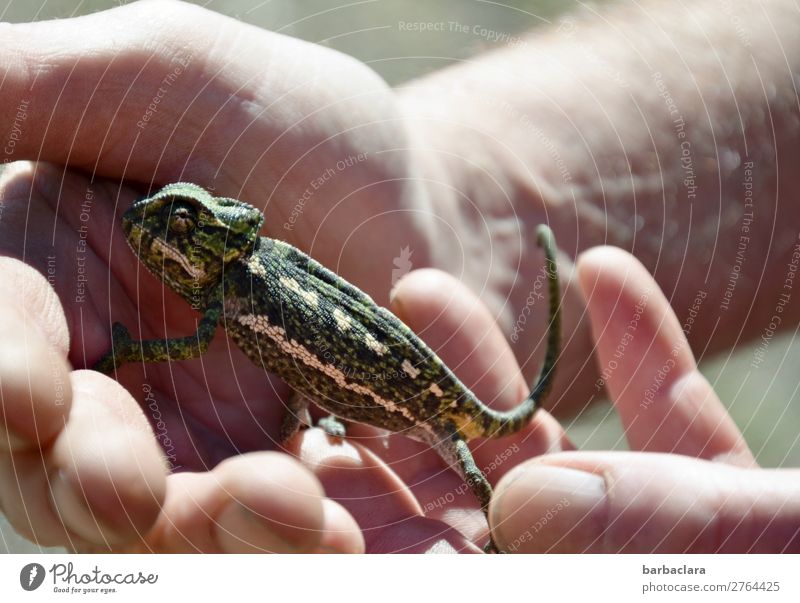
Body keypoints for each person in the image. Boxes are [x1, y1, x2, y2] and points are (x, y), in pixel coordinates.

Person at [0, 0, 797, 553]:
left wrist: (126, 351)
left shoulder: (233, 289)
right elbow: (299, 352)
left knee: (460, 445)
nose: (157, 244)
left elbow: (295, 341)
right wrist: (440, 196)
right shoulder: (228, 288)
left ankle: (489, 508)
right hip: (355, 378)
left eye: (177, 232)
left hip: (414, 392)